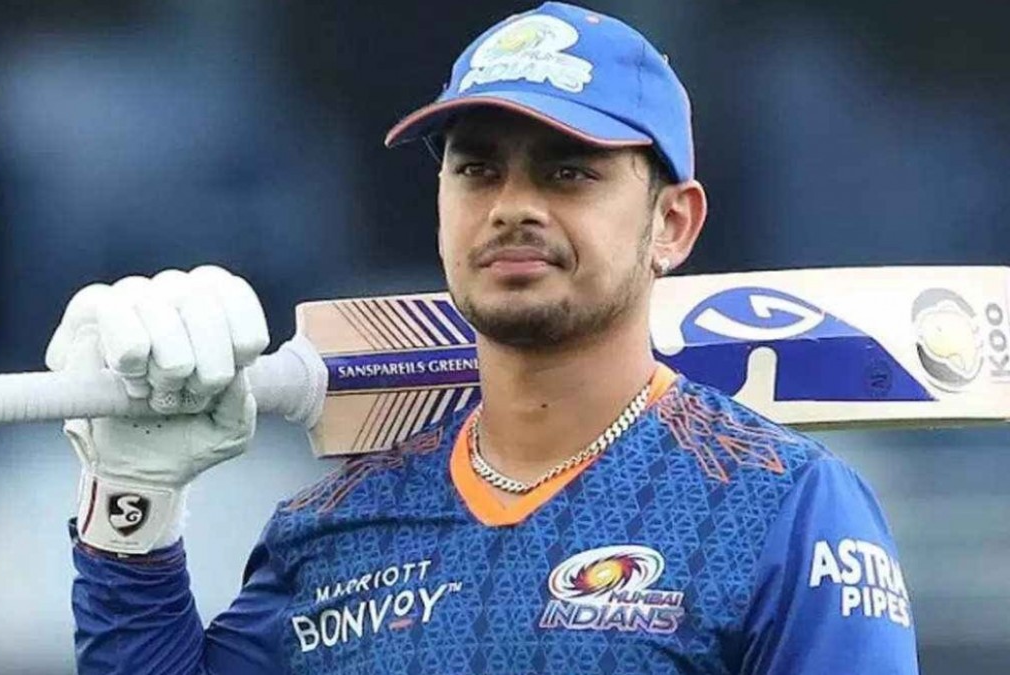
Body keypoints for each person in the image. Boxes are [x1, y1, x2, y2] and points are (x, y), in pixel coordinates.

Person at [50, 2, 919, 673]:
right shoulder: (334, 527)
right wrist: (131, 508)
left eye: (568, 170)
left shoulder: (782, 505)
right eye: (477, 168)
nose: (512, 205)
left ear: (673, 223)